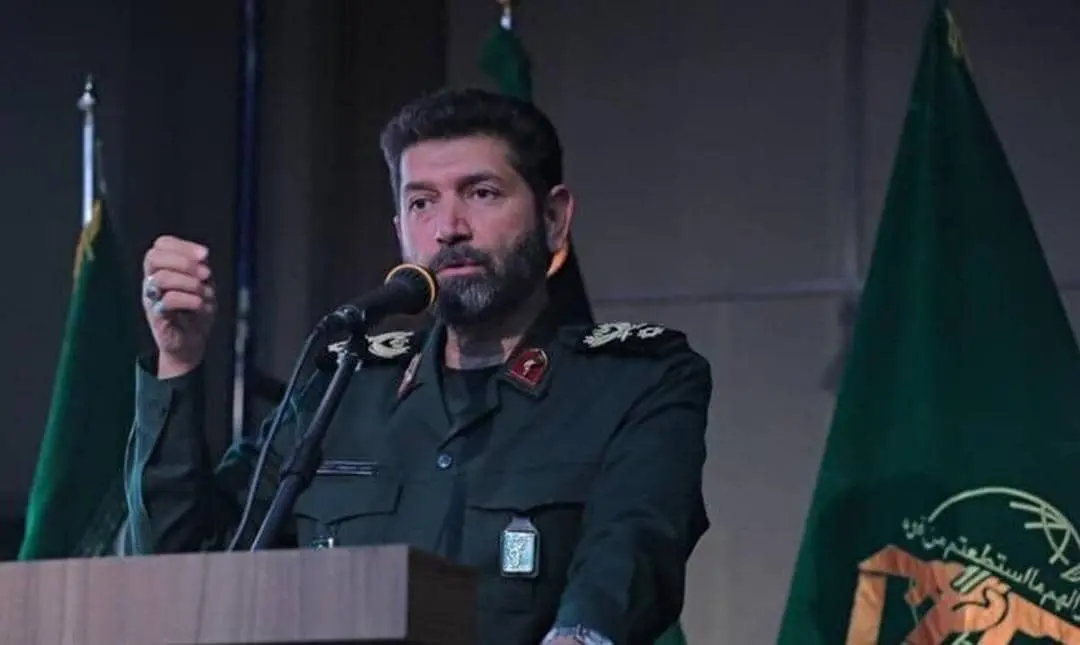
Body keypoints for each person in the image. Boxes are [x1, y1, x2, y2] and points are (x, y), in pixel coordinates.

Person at [124, 87, 712, 645]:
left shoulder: (637, 379)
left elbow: (631, 549)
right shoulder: (342, 387)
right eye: (421, 203)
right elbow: (185, 564)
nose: (448, 228)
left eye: (481, 193)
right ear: (400, 231)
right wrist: (179, 357)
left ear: (554, 218)